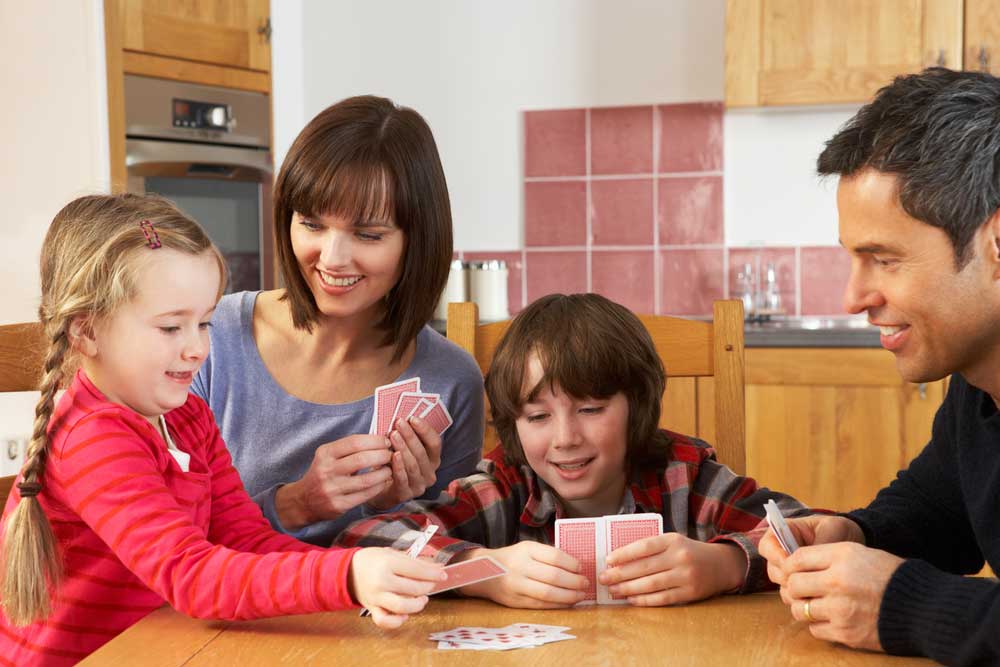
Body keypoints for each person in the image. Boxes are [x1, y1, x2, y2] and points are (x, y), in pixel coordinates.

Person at [0, 194, 445, 666]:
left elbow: (246, 540)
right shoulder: (93, 438)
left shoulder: (187, 417)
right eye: (172, 328)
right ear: (86, 331)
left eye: (205, 323)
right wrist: (348, 576)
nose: (197, 349)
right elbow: (192, 577)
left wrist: (354, 579)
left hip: (164, 649)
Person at [336, 293, 810, 608]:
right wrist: (484, 572)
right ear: (514, 426)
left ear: (636, 407)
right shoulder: (505, 484)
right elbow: (363, 538)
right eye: (537, 417)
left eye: (590, 408)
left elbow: (809, 534)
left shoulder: (684, 477)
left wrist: (724, 565)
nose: (564, 438)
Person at [759, 67, 1000, 666]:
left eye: (884, 259)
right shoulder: (977, 392)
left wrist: (902, 607)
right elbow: (936, 514)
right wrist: (856, 535)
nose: (853, 296)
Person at [191, 95, 484, 546]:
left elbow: (451, 557)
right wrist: (294, 504)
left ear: (418, 240)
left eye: (368, 234)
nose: (332, 258)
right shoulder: (211, 337)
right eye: (311, 224)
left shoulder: (451, 380)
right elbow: (165, 537)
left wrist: (394, 510)